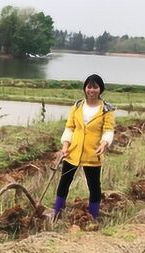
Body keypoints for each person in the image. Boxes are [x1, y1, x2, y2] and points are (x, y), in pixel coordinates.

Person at [52, 74, 115, 221]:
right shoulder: (77, 105)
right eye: (89, 87)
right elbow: (70, 127)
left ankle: (93, 215)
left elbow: (108, 129)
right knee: (64, 182)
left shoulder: (106, 109)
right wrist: (65, 146)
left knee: (94, 186)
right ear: (85, 88)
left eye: (95, 87)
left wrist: (104, 144)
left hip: (92, 152)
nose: (91, 90)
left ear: (100, 89)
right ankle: (57, 213)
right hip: (73, 151)